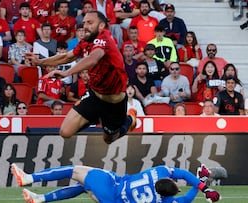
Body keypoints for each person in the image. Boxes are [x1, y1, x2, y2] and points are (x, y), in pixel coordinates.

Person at [25, 10, 136, 144]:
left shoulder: (104, 39)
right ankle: (94, 117)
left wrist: (67, 73)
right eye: (84, 23)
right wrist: (41, 62)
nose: (85, 26)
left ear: (101, 26)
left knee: (109, 139)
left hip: (114, 102)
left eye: (90, 23)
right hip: (94, 95)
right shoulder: (86, 41)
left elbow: (92, 59)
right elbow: (67, 56)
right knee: (65, 132)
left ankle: (129, 119)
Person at [11, 163, 221, 203]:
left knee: (75, 171)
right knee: (84, 187)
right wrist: (202, 184)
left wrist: (204, 186)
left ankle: (29, 178)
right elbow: (185, 199)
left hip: (115, 188)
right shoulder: (164, 202)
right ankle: (40, 198)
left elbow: (183, 173)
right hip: (115, 200)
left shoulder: (158, 172)